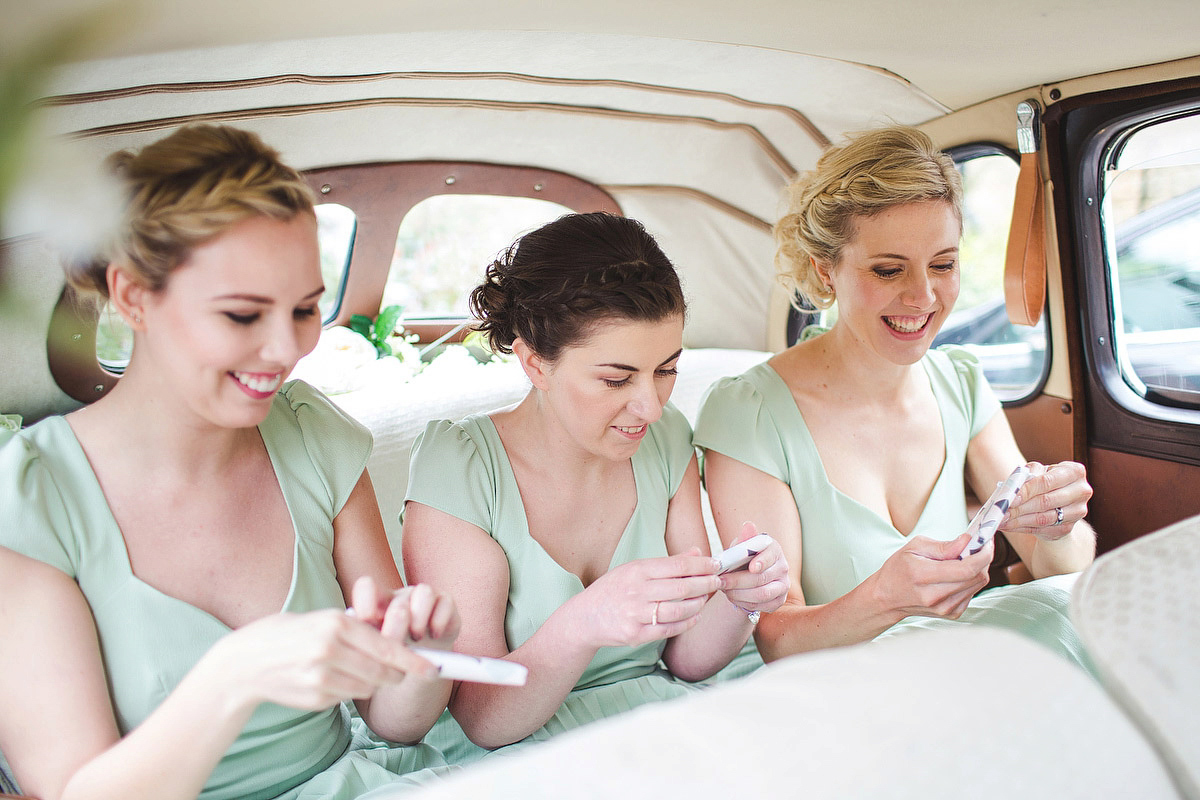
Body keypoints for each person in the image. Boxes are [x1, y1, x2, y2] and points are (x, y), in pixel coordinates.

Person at [0, 124, 461, 800]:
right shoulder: (36, 499)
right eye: (244, 315)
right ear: (132, 297)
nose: (286, 349)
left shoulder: (312, 438)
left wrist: (422, 658)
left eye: (305, 309)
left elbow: (394, 725)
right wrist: (237, 674)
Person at [694, 126, 1096, 666]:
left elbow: (1061, 569)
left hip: (959, 667)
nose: (923, 296)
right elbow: (775, 638)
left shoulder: (961, 383)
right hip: (836, 685)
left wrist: (1055, 526)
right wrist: (884, 598)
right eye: (888, 269)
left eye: (943, 264)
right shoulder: (750, 412)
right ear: (825, 269)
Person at [402, 212, 788, 755]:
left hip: (655, 722)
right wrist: (587, 621)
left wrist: (742, 601)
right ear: (535, 363)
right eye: (616, 379)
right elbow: (483, 719)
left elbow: (687, 659)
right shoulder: (461, 466)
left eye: (667, 369)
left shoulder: (666, 437)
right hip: (517, 750)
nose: (651, 407)